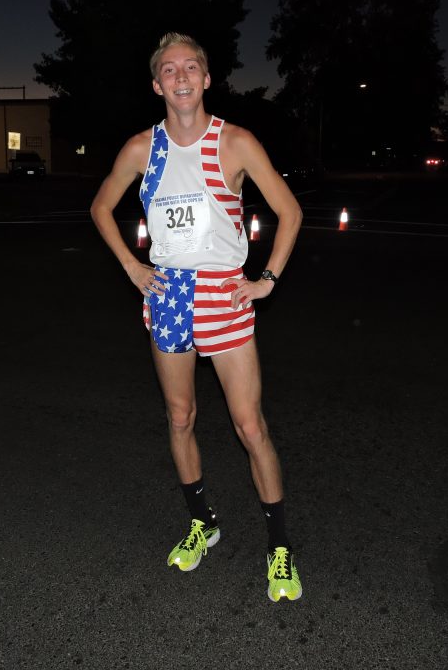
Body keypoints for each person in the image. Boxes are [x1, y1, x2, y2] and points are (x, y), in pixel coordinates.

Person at [90, 32, 304, 602]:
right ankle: (202, 523)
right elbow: (100, 206)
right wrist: (133, 269)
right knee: (180, 417)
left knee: (249, 425)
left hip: (225, 295)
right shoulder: (141, 149)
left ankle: (278, 547)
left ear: (207, 79)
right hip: (167, 296)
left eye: (191, 67)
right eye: (169, 69)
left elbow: (290, 210)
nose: (180, 77)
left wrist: (267, 281)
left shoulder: (235, 141)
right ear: (157, 84)